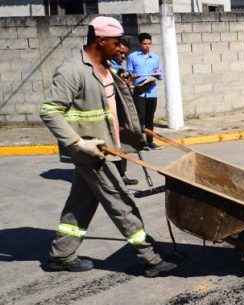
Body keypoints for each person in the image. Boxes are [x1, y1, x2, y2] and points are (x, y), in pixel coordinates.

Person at [39, 17, 177, 277]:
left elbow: (112, 109)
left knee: (81, 203)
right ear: (100, 41)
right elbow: (49, 111)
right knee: (121, 201)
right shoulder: (72, 71)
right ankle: (150, 258)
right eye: (117, 43)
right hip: (93, 152)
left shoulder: (106, 68)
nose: (122, 49)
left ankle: (61, 254)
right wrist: (78, 143)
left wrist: (132, 132)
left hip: (110, 146)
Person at [109, 38, 138, 186]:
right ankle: (114, 176)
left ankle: (122, 174)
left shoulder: (120, 67)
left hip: (121, 111)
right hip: (110, 112)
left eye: (125, 54)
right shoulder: (107, 67)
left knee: (123, 144)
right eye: (121, 53)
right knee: (113, 146)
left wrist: (128, 84)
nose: (123, 57)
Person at [127, 32, 163, 150]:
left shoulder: (156, 58)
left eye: (149, 44)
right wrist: (134, 78)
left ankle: (150, 141)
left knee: (150, 119)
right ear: (140, 44)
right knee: (140, 118)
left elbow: (159, 74)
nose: (147, 46)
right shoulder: (132, 57)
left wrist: (155, 76)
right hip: (139, 91)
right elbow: (129, 74)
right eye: (144, 44)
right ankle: (140, 143)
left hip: (152, 92)